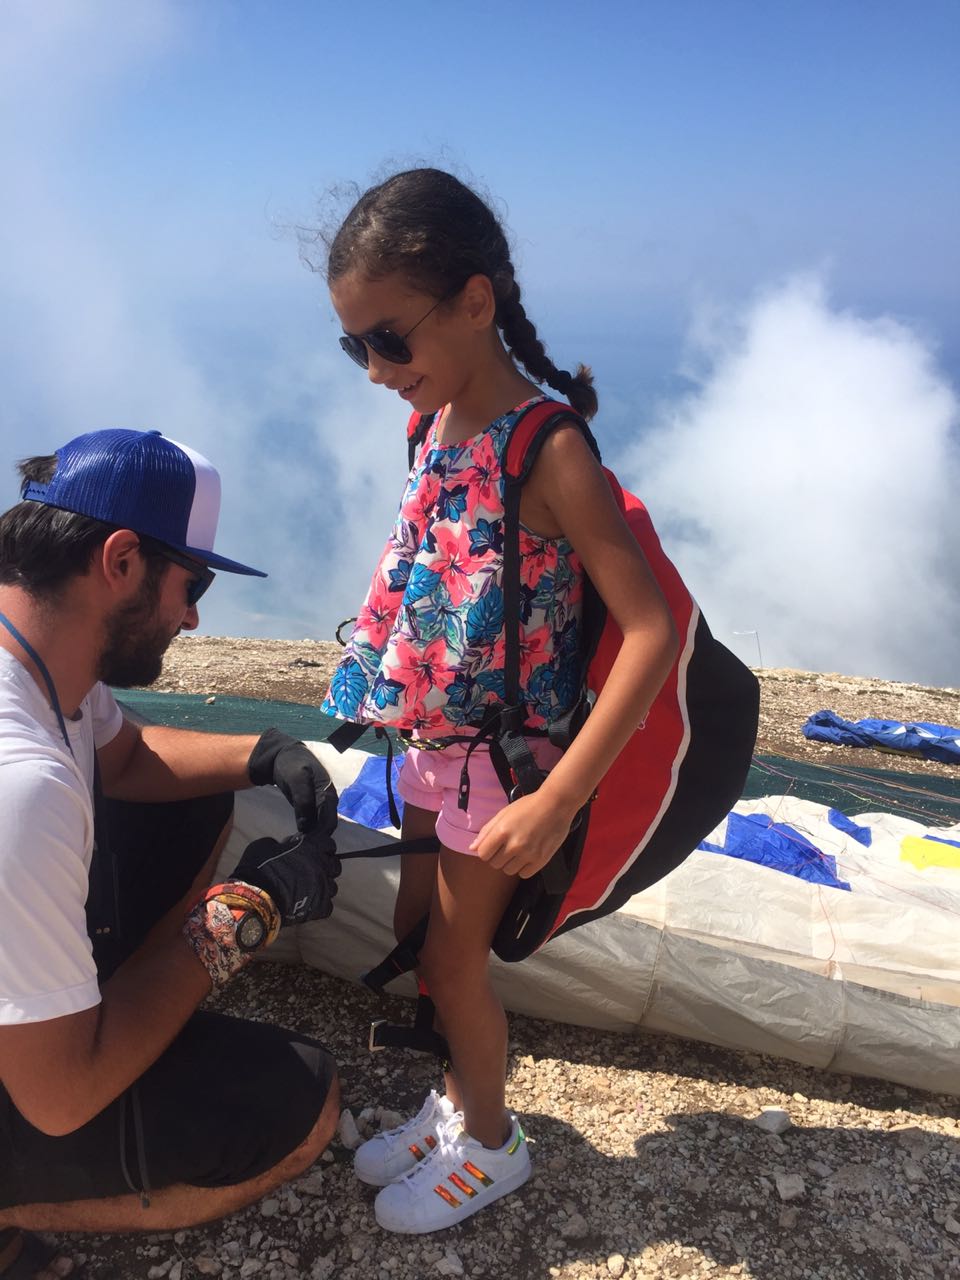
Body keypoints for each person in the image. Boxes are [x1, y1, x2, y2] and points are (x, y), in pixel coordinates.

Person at [319, 168, 681, 1233]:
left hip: (504, 763)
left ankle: (491, 1144)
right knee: (419, 929)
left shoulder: (548, 448)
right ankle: (454, 1098)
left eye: (389, 339)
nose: (375, 370)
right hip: (433, 741)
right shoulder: (434, 423)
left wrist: (560, 801)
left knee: (452, 957)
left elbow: (650, 632)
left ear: (474, 302)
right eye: (354, 346)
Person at [0, 429, 342, 1280]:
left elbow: (125, 759)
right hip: (41, 1082)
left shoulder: (41, 663)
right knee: (302, 1111)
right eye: (193, 584)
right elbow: (58, 1101)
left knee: (200, 799)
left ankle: (110, 1013)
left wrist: (263, 752)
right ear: (121, 560)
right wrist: (242, 913)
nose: (192, 617)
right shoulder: (20, 783)